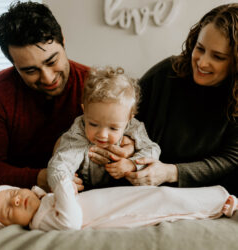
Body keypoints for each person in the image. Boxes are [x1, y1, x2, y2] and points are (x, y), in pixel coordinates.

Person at [91, 3, 238, 193]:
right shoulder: (166, 74)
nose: (202, 62)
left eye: (218, 57)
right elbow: (124, 117)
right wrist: (128, 143)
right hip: (133, 185)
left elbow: (231, 159)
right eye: (200, 48)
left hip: (195, 193)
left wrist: (170, 172)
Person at [0, 1, 133, 191]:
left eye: (52, 61)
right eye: (30, 70)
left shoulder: (97, 87)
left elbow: (133, 132)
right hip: (22, 196)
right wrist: (41, 178)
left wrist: (130, 146)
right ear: (14, 65)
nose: (48, 78)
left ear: (62, 40)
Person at [47, 66, 161, 190]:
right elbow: (61, 161)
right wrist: (64, 182)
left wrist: (132, 164)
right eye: (94, 124)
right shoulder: (79, 131)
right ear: (84, 111)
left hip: (125, 190)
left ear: (129, 119)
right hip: (88, 191)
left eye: (113, 128)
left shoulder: (134, 128)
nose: (102, 134)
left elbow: (152, 149)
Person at [0, 178, 237, 231]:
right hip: (114, 211)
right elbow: (70, 221)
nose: (18, 200)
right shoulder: (40, 221)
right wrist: (62, 182)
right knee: (163, 202)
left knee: (160, 195)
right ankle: (219, 202)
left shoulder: (39, 201)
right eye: (9, 210)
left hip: (115, 199)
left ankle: (215, 203)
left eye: (11, 195)